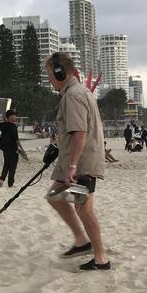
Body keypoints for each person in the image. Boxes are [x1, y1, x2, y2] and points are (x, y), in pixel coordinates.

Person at [43, 52, 109, 271]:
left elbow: (80, 133)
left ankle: (100, 258)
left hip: (81, 162)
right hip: (74, 159)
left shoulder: (72, 95)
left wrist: (72, 165)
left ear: (60, 72)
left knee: (85, 209)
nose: (49, 79)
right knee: (54, 197)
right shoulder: (80, 91)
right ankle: (82, 241)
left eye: (50, 74)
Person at [0, 110, 26, 188]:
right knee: (12, 167)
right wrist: (22, 150)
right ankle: (10, 184)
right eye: (13, 116)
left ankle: (1, 181)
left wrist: (5, 120)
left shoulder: (3, 125)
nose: (15, 117)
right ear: (9, 117)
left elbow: (0, 126)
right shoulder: (13, 126)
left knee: (6, 165)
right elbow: (17, 140)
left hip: (5, 149)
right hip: (12, 150)